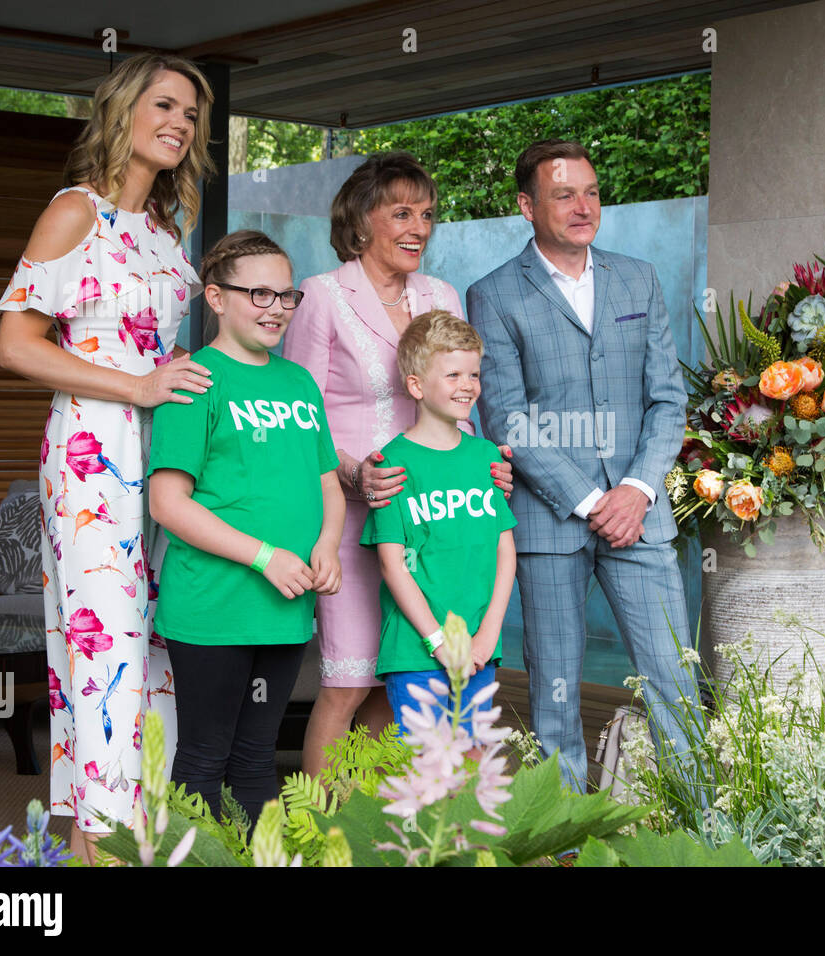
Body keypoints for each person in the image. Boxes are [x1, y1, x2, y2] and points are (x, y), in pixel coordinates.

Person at [0, 53, 216, 856]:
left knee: (153, 645)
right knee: (104, 644)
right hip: (94, 444)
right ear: (123, 111)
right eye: (165, 105)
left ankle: (142, 838)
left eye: (191, 114)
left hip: (166, 451)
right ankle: (100, 845)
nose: (181, 124)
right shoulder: (73, 210)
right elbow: (16, 345)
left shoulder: (163, 229)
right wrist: (136, 388)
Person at [466, 139, 698, 792]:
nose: (582, 205)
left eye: (591, 192)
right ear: (527, 206)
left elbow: (667, 398)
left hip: (640, 519)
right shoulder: (493, 294)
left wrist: (635, 490)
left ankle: (697, 836)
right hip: (550, 524)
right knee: (556, 704)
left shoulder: (638, 277)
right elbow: (506, 418)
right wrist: (591, 501)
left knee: (676, 687)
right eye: (564, 193)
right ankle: (562, 843)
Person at [283, 151, 512, 774]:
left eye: (428, 214)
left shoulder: (441, 294)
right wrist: (354, 472)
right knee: (350, 679)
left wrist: (486, 463)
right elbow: (301, 413)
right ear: (362, 220)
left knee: (407, 674)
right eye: (402, 213)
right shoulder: (321, 297)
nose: (419, 227)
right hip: (354, 515)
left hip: (440, 520)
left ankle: (376, 818)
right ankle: (323, 828)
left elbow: (457, 387)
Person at [147, 230, 345, 825]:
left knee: (259, 760)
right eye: (259, 294)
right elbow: (168, 503)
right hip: (214, 611)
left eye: (287, 296)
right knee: (205, 759)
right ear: (215, 297)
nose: (277, 308)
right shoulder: (196, 382)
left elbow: (328, 486)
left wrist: (328, 546)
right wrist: (265, 557)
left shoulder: (298, 383)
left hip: (285, 609)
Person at [359, 310, 516, 734]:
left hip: (480, 649)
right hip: (417, 651)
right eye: (452, 375)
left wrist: (488, 634)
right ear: (416, 385)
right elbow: (392, 565)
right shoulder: (391, 464)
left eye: (473, 374)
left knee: (471, 771)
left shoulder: (486, 458)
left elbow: (505, 552)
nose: (467, 386)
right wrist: (438, 642)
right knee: (425, 774)